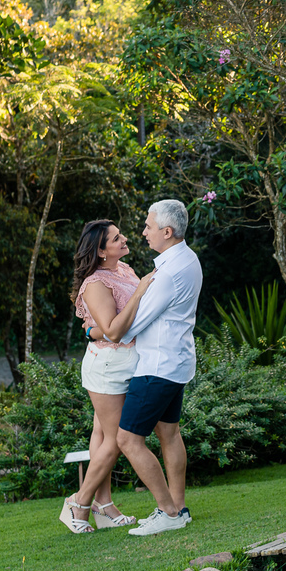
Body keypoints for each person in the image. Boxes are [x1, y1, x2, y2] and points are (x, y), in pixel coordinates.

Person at [59, 219, 155, 533]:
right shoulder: (96, 283)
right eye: (116, 238)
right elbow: (113, 331)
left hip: (125, 359)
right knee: (116, 440)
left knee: (101, 436)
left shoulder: (124, 269)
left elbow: (109, 325)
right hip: (109, 365)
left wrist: (93, 329)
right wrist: (141, 292)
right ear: (101, 251)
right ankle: (78, 502)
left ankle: (104, 505)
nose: (125, 239)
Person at [113, 199, 202, 536]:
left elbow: (128, 330)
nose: (143, 231)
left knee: (127, 440)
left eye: (148, 226)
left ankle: (168, 512)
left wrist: (103, 326)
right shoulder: (189, 259)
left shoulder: (166, 275)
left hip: (157, 367)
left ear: (167, 231)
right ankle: (179, 508)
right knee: (169, 434)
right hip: (176, 362)